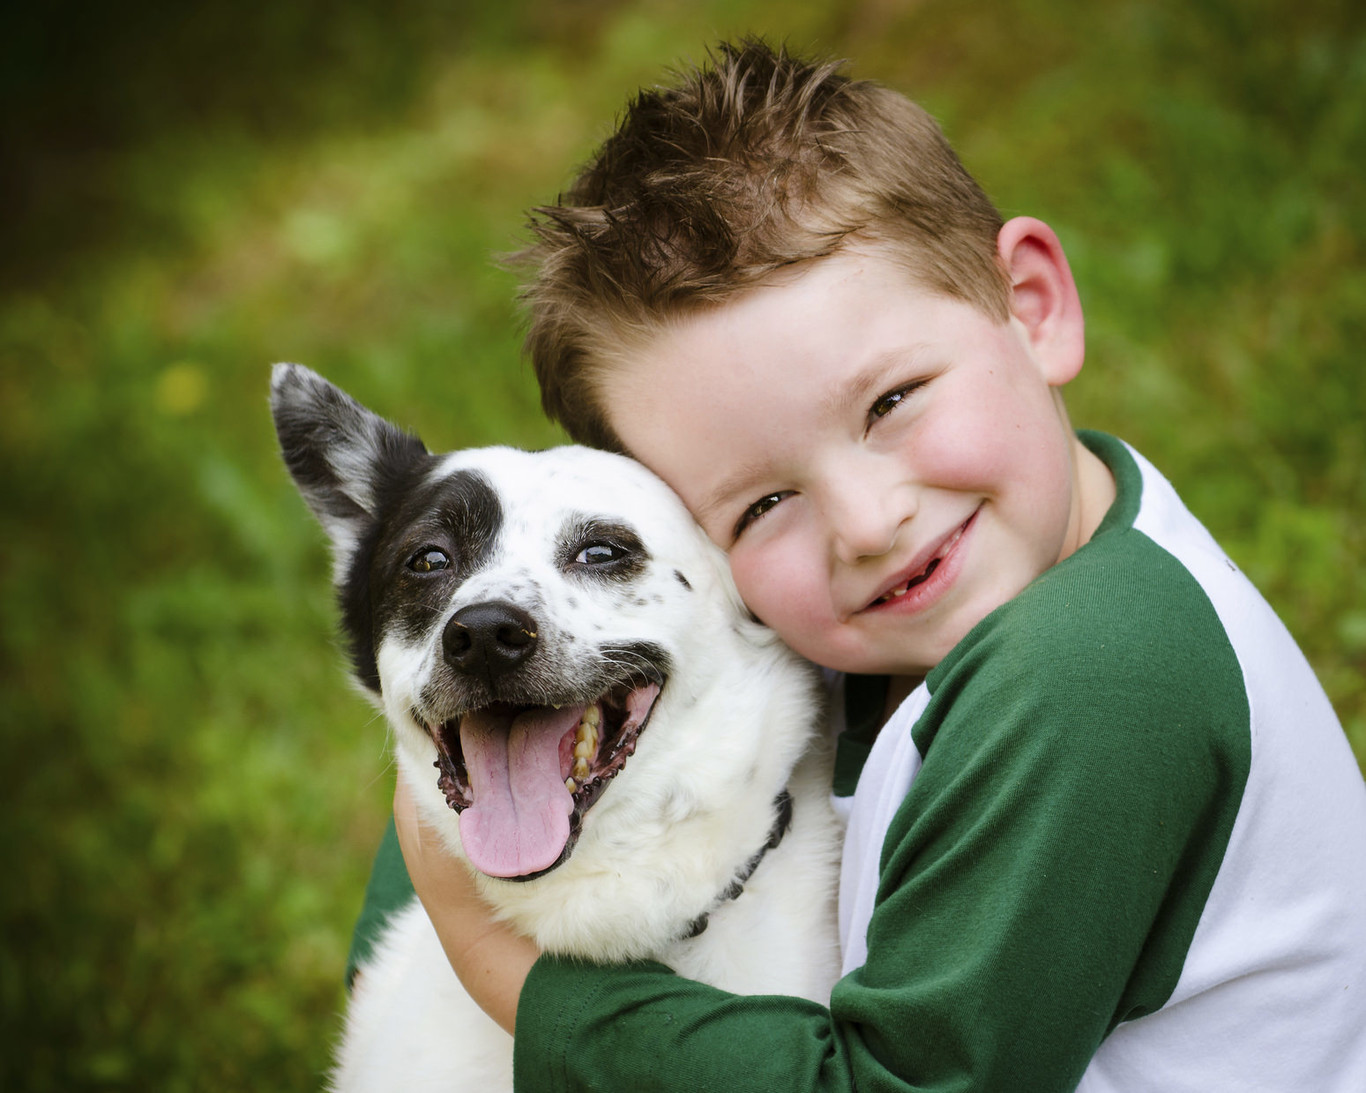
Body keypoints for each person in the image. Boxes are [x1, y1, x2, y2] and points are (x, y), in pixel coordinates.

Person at [369, 38, 1366, 1091]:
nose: (865, 524)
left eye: (891, 402)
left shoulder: (1092, 674)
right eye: (762, 504)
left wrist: (502, 966)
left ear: (1031, 303)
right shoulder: (915, 613)